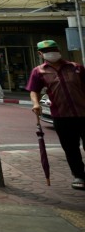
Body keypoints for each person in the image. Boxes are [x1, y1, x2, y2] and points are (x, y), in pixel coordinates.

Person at [26, 40, 85, 190]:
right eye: (46, 51)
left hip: (83, 113)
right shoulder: (39, 71)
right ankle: (79, 175)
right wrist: (36, 103)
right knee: (71, 148)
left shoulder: (76, 67)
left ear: (59, 50)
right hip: (61, 116)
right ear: (40, 54)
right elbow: (34, 90)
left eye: (53, 49)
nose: (50, 53)